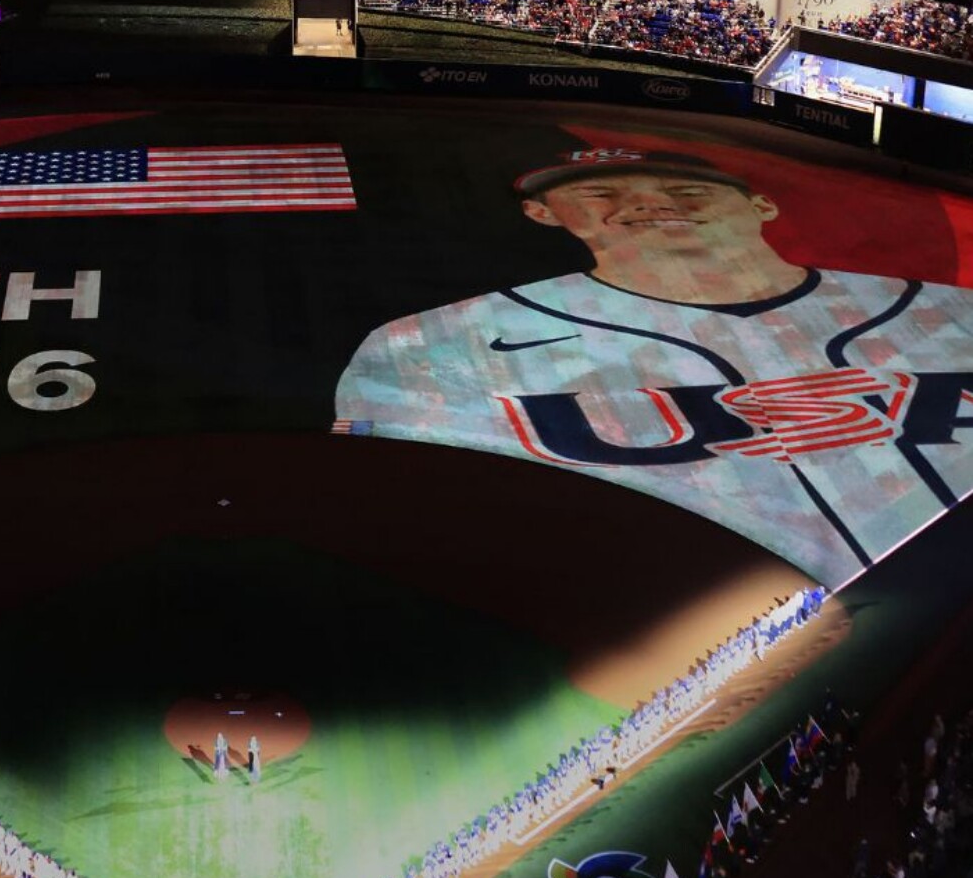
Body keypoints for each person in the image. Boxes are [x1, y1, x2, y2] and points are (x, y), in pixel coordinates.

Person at [336, 148, 973, 588]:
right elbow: (408, 522)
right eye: (600, 192)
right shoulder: (432, 343)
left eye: (687, 189)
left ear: (762, 205)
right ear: (543, 212)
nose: (649, 204)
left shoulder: (954, 312)